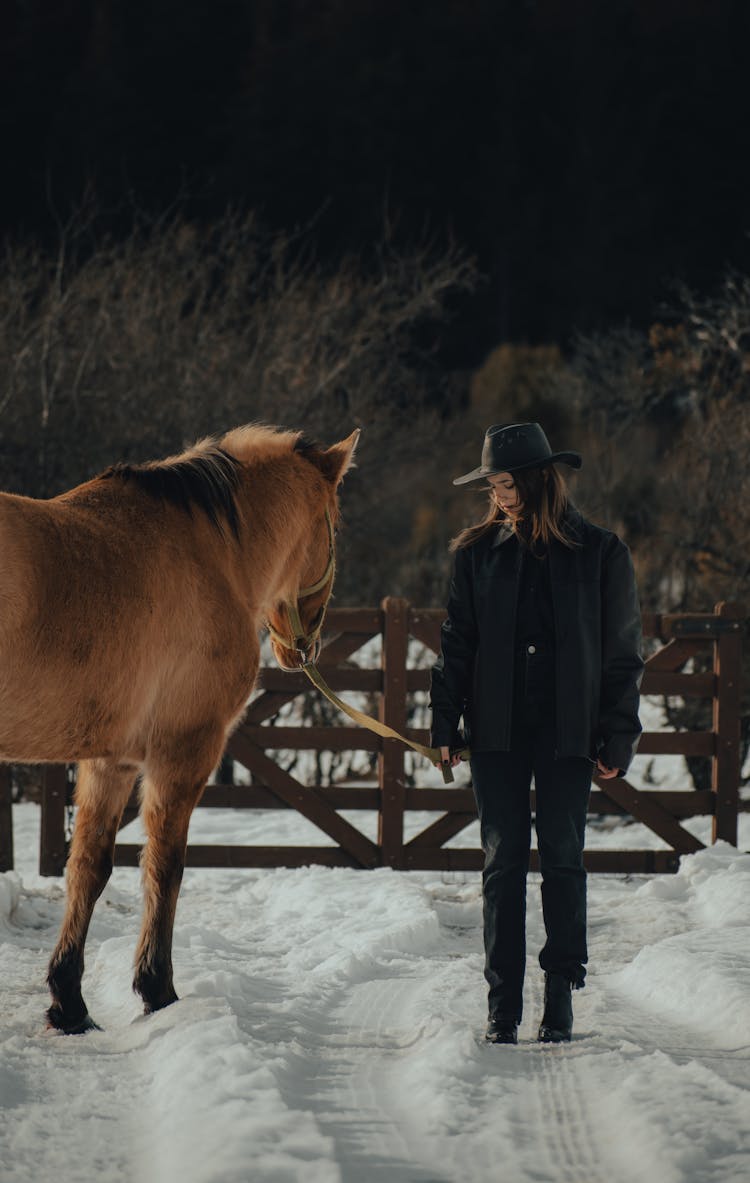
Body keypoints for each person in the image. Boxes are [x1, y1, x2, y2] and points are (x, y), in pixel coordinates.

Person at [430, 422, 643, 1045]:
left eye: (507, 483)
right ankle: (502, 1007)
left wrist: (618, 734)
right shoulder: (475, 555)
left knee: (562, 860)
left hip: (567, 733)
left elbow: (623, 654)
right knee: (501, 866)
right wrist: (445, 722)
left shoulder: (602, 553)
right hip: (495, 731)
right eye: (492, 485)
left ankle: (560, 997)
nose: (499, 495)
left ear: (537, 479)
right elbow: (456, 644)